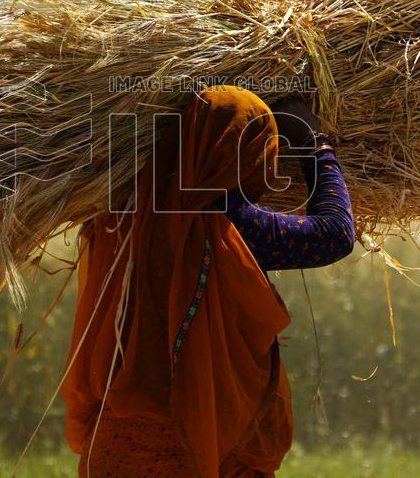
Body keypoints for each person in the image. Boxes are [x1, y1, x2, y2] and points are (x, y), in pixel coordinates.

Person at [61, 85, 355, 477]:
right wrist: (313, 144)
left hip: (115, 448)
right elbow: (334, 233)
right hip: (203, 447)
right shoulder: (229, 228)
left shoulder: (118, 217)